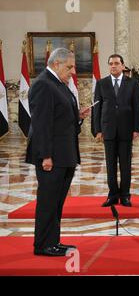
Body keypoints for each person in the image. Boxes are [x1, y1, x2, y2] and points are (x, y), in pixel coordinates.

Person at [26, 48, 91, 256]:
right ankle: (43, 245)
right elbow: (41, 124)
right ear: (56, 63)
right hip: (52, 157)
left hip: (65, 154)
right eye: (69, 66)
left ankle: (53, 241)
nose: (72, 71)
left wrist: (78, 116)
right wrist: (46, 155)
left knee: (56, 202)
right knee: (47, 201)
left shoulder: (59, 84)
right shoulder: (43, 85)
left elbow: (62, 119)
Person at [93, 54, 139, 208]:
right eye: (110, 64)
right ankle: (113, 195)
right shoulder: (101, 83)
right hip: (108, 130)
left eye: (116, 63)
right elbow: (97, 109)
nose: (113, 66)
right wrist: (97, 130)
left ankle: (125, 195)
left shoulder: (132, 83)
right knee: (110, 165)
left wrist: (136, 128)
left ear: (122, 66)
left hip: (127, 130)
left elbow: (137, 108)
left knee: (126, 165)